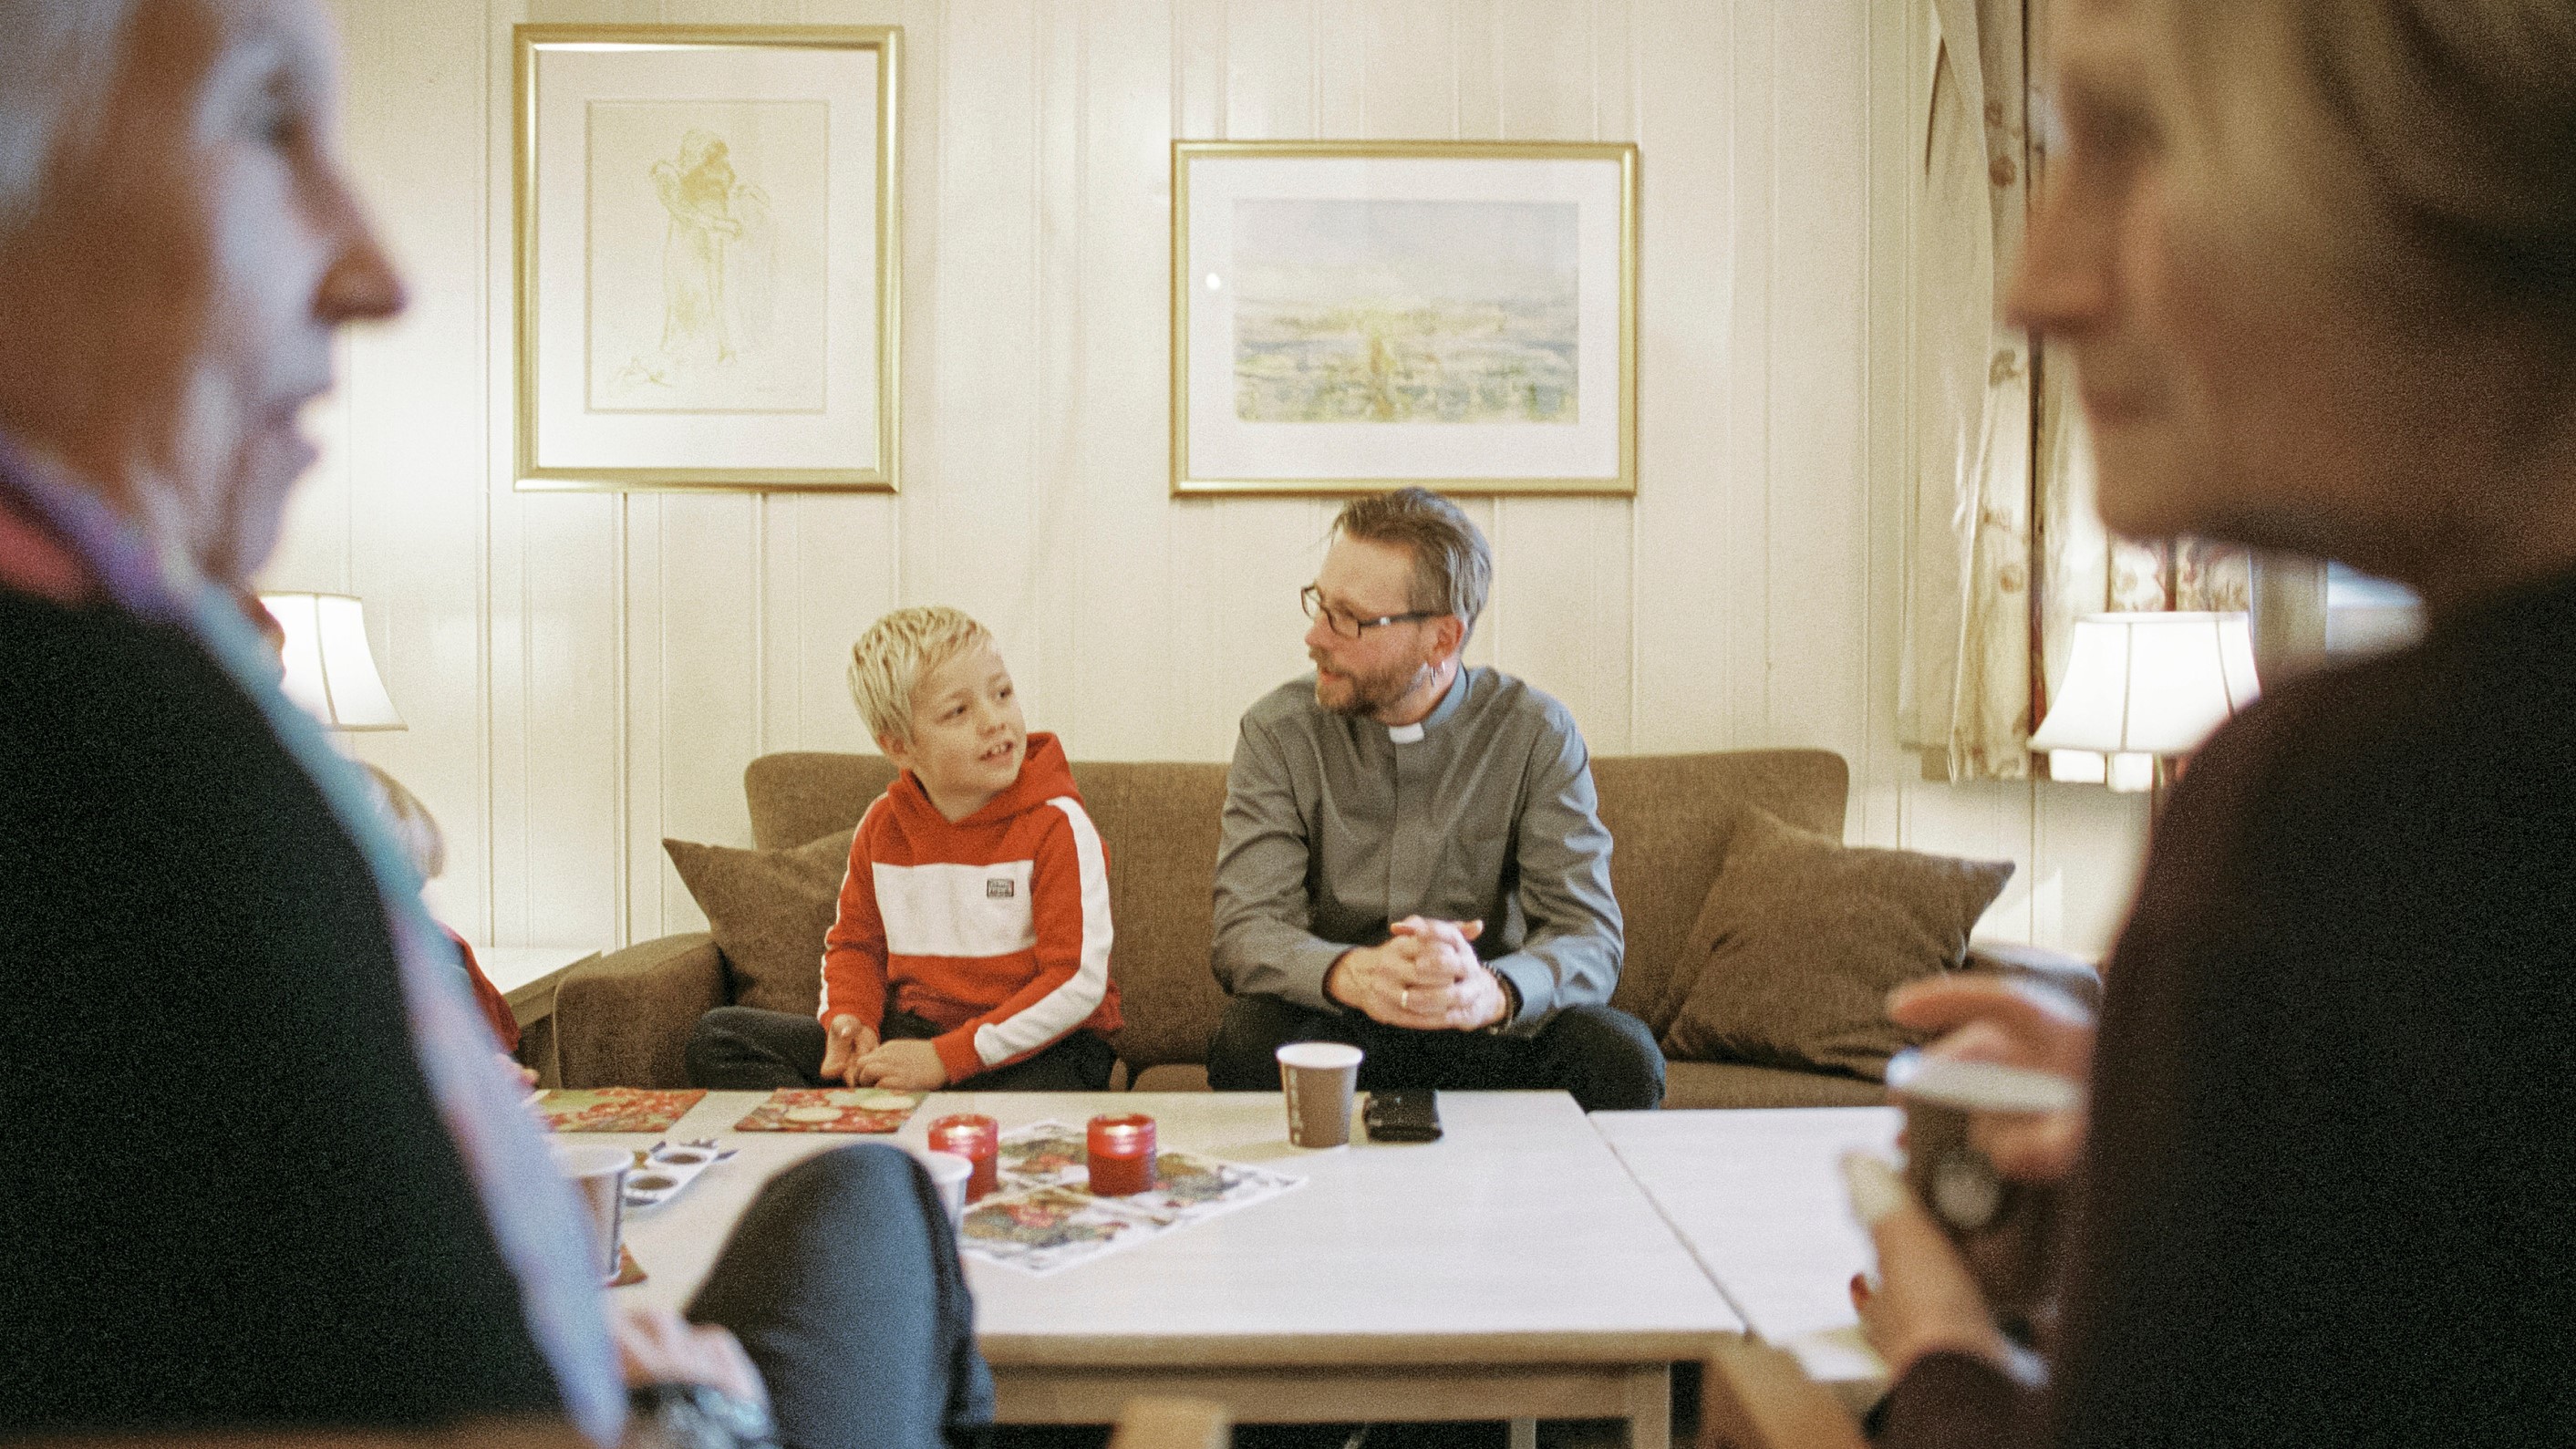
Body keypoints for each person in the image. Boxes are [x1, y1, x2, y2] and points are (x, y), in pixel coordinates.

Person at [0, 2, 988, 1444]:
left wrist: (567, 1333)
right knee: (877, 1202)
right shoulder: (125, 762)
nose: (378, 269)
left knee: (863, 1190)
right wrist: (653, 1407)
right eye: (267, 119)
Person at [1842, 0, 2576, 1444]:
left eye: (2131, 143)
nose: (2033, 283)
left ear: (2462, 165)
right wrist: (2182, 1154)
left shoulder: (2354, 811)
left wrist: (1944, 1360)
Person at [1204, 487, 1662, 1113]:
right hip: (1344, 1026)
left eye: (1349, 617)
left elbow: (1589, 934)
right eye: (1319, 604)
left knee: (1619, 1053)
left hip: (1483, 1029)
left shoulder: (1535, 734)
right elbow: (1245, 929)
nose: (1315, 636)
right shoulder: (1277, 732)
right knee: (1246, 1038)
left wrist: (1492, 989)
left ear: (1442, 639)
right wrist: (1355, 975)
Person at [688, 605, 1122, 1094]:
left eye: (1001, 694)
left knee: (1023, 1097)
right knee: (719, 1036)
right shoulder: (881, 826)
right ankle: (865, 1124)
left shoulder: (1058, 824)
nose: (994, 720)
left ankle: (897, 1120)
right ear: (900, 748)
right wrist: (852, 1020)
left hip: (1044, 1044)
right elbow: (856, 945)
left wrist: (948, 1058)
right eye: (958, 711)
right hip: (917, 1033)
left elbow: (1076, 983)